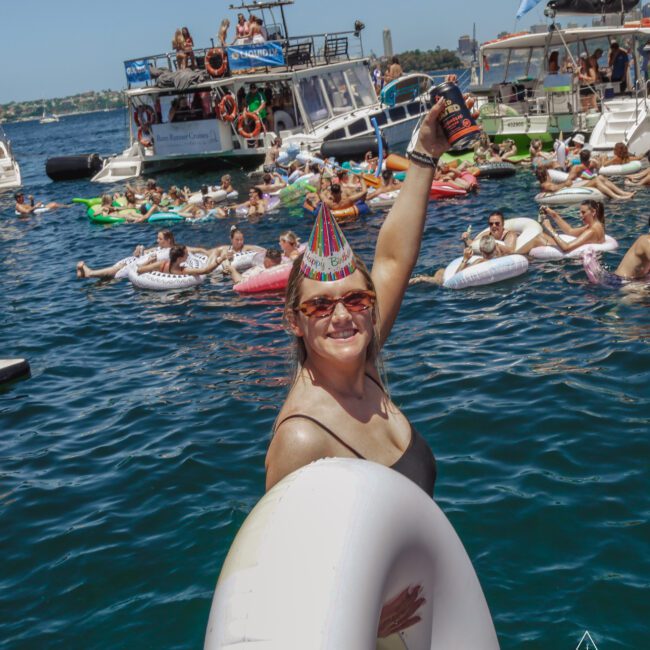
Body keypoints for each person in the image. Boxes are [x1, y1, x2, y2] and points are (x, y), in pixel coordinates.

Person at [266, 100, 447, 510]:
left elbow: (394, 259)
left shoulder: (360, 362)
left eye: (355, 298)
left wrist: (425, 152)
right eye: (320, 306)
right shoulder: (301, 438)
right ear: (294, 321)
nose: (343, 316)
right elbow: (285, 562)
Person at [76, 230, 176, 279]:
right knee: (113, 274)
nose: (157, 240)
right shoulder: (159, 248)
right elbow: (145, 253)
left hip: (140, 267)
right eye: (157, 238)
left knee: (115, 273)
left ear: (168, 240)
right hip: (135, 262)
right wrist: (139, 250)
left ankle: (89, 273)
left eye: (160, 239)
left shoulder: (172, 251)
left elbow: (189, 250)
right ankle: (87, 274)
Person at [517, 201, 607, 255]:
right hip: (577, 248)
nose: (580, 215)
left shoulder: (591, 231)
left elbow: (566, 248)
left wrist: (551, 230)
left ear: (593, 212)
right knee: (542, 236)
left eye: (583, 212)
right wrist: (554, 215)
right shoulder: (597, 226)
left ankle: (515, 255)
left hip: (573, 257)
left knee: (537, 239)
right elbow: (570, 231)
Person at [409, 234, 500, 286]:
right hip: (448, 273)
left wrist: (465, 259)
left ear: (481, 250)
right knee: (437, 273)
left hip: (446, 278)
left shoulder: (479, 262)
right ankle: (420, 278)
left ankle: (420, 279)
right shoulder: (499, 258)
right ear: (495, 248)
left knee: (438, 275)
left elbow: (457, 276)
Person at [137, 245, 223, 277]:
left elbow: (140, 269)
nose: (188, 255)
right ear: (179, 259)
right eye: (186, 254)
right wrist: (220, 260)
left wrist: (149, 261)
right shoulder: (184, 270)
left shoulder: (161, 264)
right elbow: (206, 270)